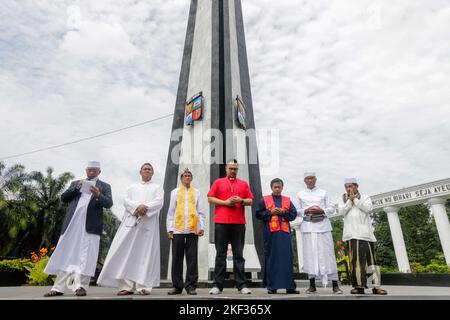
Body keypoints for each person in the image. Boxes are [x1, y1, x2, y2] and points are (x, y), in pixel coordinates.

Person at [44, 161, 113, 297]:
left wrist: (99, 194)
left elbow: (109, 203)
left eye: (94, 170)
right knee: (66, 253)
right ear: (86, 170)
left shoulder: (104, 186)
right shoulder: (76, 183)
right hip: (72, 225)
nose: (91, 172)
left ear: (99, 172)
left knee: (86, 256)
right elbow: (63, 198)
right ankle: (58, 288)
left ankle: (81, 287)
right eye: (89, 170)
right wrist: (77, 187)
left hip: (91, 227)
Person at [97, 163, 163, 295]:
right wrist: (138, 207)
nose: (147, 171)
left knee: (145, 255)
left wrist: (145, 208)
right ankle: (125, 287)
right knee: (126, 253)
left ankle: (143, 287)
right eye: (145, 169)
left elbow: (159, 201)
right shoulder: (132, 187)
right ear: (140, 172)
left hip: (148, 225)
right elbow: (126, 200)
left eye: (150, 169)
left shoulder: (157, 187)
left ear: (152, 173)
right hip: (131, 222)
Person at [207, 159, 254, 294]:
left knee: (238, 255)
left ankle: (242, 285)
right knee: (220, 255)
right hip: (221, 223)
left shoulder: (243, 184)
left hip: (238, 224)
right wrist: (226, 203)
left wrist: (241, 200)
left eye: (235, 168)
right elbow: (210, 198)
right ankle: (217, 285)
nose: (233, 171)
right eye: (230, 168)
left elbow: (250, 200)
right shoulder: (218, 182)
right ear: (226, 169)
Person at [338, 177, 387, 295]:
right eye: (346, 187)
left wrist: (355, 199)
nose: (348, 188)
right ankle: (358, 286)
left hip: (366, 235)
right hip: (352, 235)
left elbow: (368, 208)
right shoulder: (343, 199)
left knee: (372, 261)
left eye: (350, 186)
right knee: (355, 262)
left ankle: (376, 287)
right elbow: (341, 212)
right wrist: (349, 201)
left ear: (356, 186)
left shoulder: (365, 197)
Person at [297, 172, 343, 294]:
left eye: (312, 178)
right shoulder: (300, 194)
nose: (310, 180)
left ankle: (335, 285)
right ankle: (312, 285)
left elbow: (331, 208)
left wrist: (321, 209)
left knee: (328, 255)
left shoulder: (324, 192)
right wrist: (306, 210)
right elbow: (297, 210)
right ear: (305, 181)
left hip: (323, 226)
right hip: (308, 227)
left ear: (315, 179)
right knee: (310, 256)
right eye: (307, 179)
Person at [166, 168, 205, 295]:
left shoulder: (197, 192)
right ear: (181, 178)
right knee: (177, 258)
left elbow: (200, 211)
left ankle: (191, 286)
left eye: (189, 175)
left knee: (192, 258)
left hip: (192, 229)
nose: (187, 177)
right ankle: (177, 286)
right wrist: (169, 228)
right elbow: (171, 211)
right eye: (185, 175)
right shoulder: (175, 192)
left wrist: (201, 226)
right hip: (177, 229)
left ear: (191, 178)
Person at [256, 178, 298, 294]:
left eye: (279, 187)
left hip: (285, 234)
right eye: (275, 187)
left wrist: (284, 212)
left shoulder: (287, 200)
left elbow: (294, 214)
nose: (277, 189)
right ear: (271, 188)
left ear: (282, 187)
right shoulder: (264, 200)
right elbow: (258, 214)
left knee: (287, 258)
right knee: (272, 258)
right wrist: (271, 213)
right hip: (271, 234)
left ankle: (290, 287)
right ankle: (272, 286)